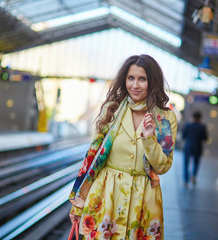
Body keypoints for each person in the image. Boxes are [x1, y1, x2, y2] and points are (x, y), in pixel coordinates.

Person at [68, 55, 177, 239]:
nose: (135, 85)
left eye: (142, 79)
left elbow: (163, 166)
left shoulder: (165, 118)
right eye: (130, 78)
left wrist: (149, 140)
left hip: (144, 200)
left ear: (153, 81)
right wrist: (79, 202)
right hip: (105, 196)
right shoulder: (112, 109)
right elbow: (93, 159)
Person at [181, 111, 208, 186]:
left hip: (188, 147)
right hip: (198, 147)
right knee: (196, 163)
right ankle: (193, 175)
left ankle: (186, 180)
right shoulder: (202, 126)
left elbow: (183, 136)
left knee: (186, 164)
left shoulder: (188, 125)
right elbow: (205, 138)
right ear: (200, 118)